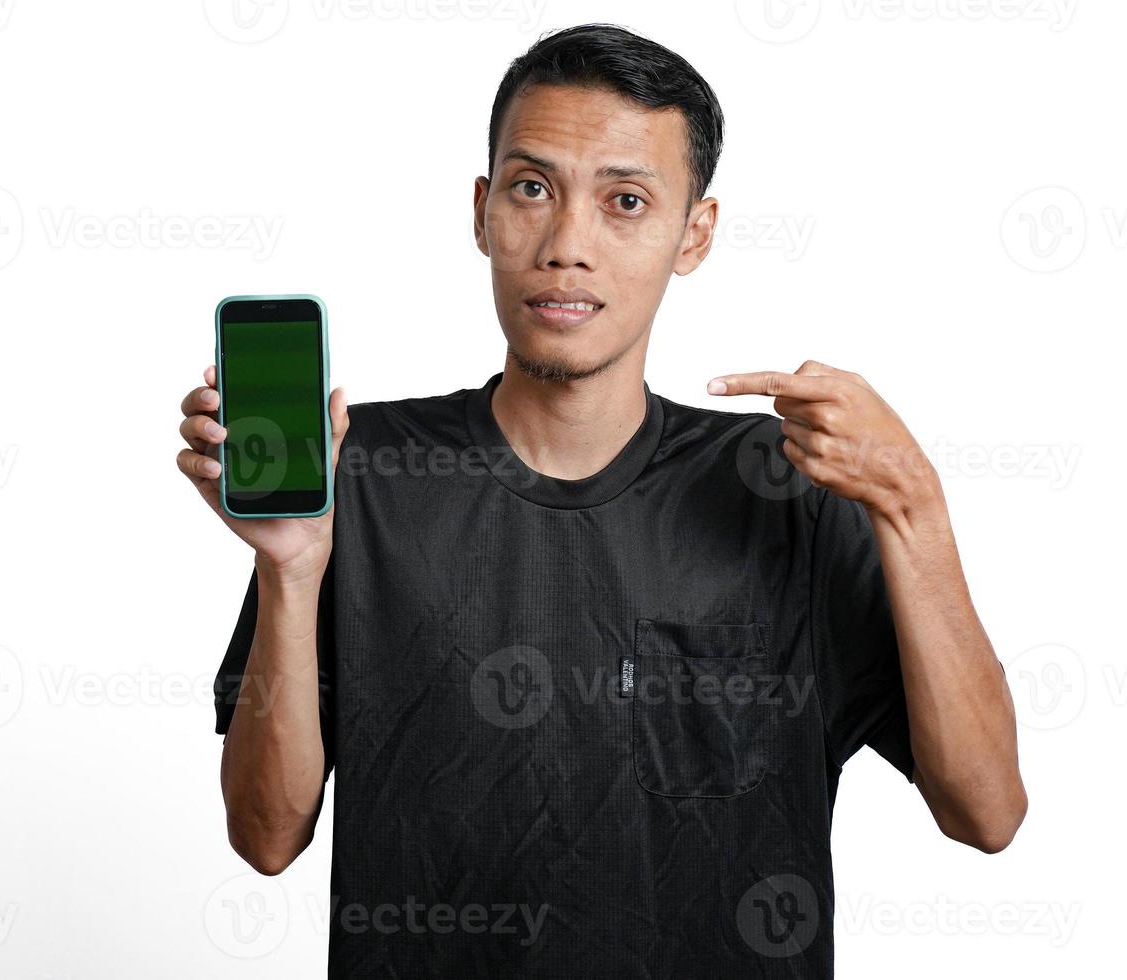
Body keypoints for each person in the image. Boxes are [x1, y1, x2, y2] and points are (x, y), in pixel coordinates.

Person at [176, 22, 1026, 979]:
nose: (567, 244)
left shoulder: (788, 487)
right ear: (482, 211)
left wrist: (915, 506)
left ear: (692, 233)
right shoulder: (359, 472)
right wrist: (289, 571)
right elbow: (265, 835)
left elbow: (986, 811)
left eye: (625, 200)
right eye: (532, 188)